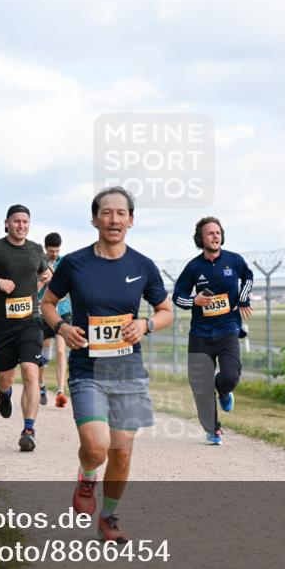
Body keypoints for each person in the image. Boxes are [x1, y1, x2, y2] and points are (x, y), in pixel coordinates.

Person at [41, 187, 173, 543]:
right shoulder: (74, 263)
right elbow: (48, 302)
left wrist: (145, 325)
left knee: (122, 451)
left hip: (129, 371)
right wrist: (62, 327)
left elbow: (166, 312)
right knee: (97, 447)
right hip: (88, 370)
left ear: (131, 220)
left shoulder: (142, 266)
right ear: (94, 218)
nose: (114, 219)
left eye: (121, 213)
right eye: (106, 213)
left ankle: (109, 518)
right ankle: (87, 476)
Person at [0, 205, 51, 451]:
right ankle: (4, 393)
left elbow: (47, 274)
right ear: (7, 223)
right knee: (6, 377)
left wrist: (36, 288)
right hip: (3, 326)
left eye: (25, 222)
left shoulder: (36, 249)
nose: (21, 225)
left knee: (30, 371)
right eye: (17, 221)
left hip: (30, 322)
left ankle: (29, 429)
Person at [172, 216, 254, 445]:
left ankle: (224, 392)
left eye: (218, 232)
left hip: (228, 329)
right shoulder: (193, 267)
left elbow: (248, 277)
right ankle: (213, 430)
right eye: (210, 233)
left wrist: (243, 299)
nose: (215, 236)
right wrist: (194, 302)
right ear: (201, 238)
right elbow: (177, 296)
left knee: (229, 377)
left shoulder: (234, 260)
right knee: (200, 386)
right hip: (200, 334)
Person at [38, 232, 71, 408]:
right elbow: (33, 291)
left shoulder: (64, 262)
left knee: (60, 351)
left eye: (57, 250)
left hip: (63, 311)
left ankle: (60, 391)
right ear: (45, 249)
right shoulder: (38, 263)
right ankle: (41, 385)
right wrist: (43, 281)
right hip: (43, 311)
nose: (55, 254)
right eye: (51, 251)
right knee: (42, 355)